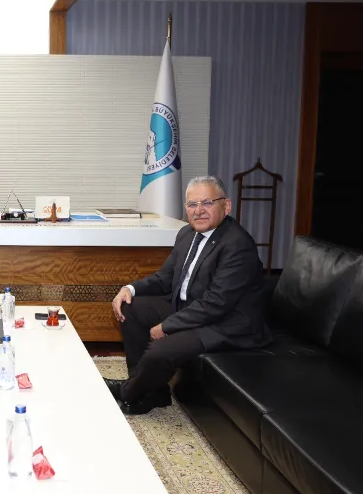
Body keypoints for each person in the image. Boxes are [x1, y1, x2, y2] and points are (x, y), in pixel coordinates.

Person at [107, 175, 268, 415]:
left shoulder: (237, 244)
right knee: (131, 307)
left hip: (225, 324)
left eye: (207, 203)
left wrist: (167, 326)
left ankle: (128, 391)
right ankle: (153, 393)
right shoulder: (186, 234)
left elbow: (216, 304)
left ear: (226, 206)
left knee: (160, 351)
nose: (198, 210)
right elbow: (165, 278)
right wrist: (129, 289)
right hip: (191, 308)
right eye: (192, 204)